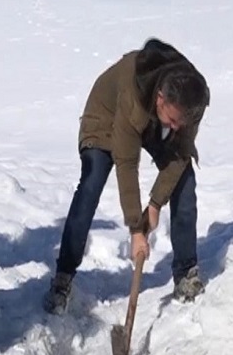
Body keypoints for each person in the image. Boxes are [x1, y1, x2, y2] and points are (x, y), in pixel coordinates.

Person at [42, 38, 210, 316]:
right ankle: (63, 276)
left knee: (185, 181)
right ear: (160, 98)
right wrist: (135, 229)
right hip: (106, 117)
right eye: (173, 120)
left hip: (150, 122)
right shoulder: (135, 90)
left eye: (180, 123)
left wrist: (155, 204)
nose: (176, 127)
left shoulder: (191, 101)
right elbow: (127, 162)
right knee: (92, 181)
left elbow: (180, 154)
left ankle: (186, 272)